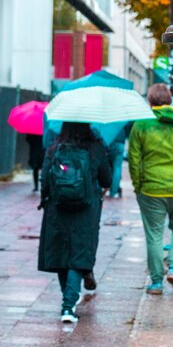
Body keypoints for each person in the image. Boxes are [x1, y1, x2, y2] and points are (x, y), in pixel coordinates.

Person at [128, 84, 173, 295]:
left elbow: (134, 158)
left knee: (154, 235)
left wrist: (138, 184)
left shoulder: (141, 123)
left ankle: (156, 282)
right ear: (169, 100)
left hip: (150, 189)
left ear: (150, 101)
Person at [37, 122, 111, 323]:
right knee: (79, 255)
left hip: (57, 208)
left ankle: (68, 299)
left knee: (61, 255)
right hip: (86, 209)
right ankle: (68, 306)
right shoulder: (96, 147)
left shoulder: (55, 147)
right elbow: (107, 180)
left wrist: (46, 199)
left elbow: (44, 179)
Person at [107, 123, 132, 198]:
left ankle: (104, 188)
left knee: (106, 165)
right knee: (117, 167)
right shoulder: (122, 114)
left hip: (108, 140)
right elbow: (128, 127)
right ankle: (113, 192)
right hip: (120, 140)